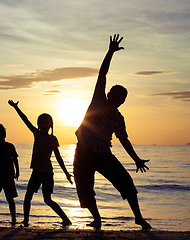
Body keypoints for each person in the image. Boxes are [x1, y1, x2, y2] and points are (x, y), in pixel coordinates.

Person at [73, 34, 151, 230]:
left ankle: (138, 218)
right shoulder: (98, 100)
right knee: (84, 189)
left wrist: (136, 159)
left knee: (126, 183)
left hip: (103, 155)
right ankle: (97, 219)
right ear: (109, 95)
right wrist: (110, 52)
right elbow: (102, 74)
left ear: (123, 101)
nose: (116, 99)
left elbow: (124, 140)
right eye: (114, 96)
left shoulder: (119, 118)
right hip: (83, 153)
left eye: (120, 98)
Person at [8, 100, 73, 227]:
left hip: (47, 173)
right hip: (36, 172)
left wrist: (66, 173)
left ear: (51, 124)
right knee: (28, 197)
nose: (44, 124)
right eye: (41, 122)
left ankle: (66, 219)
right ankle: (26, 221)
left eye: (46, 122)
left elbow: (58, 157)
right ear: (38, 124)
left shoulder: (52, 139)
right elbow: (25, 120)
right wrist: (16, 108)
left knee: (47, 199)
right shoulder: (36, 134)